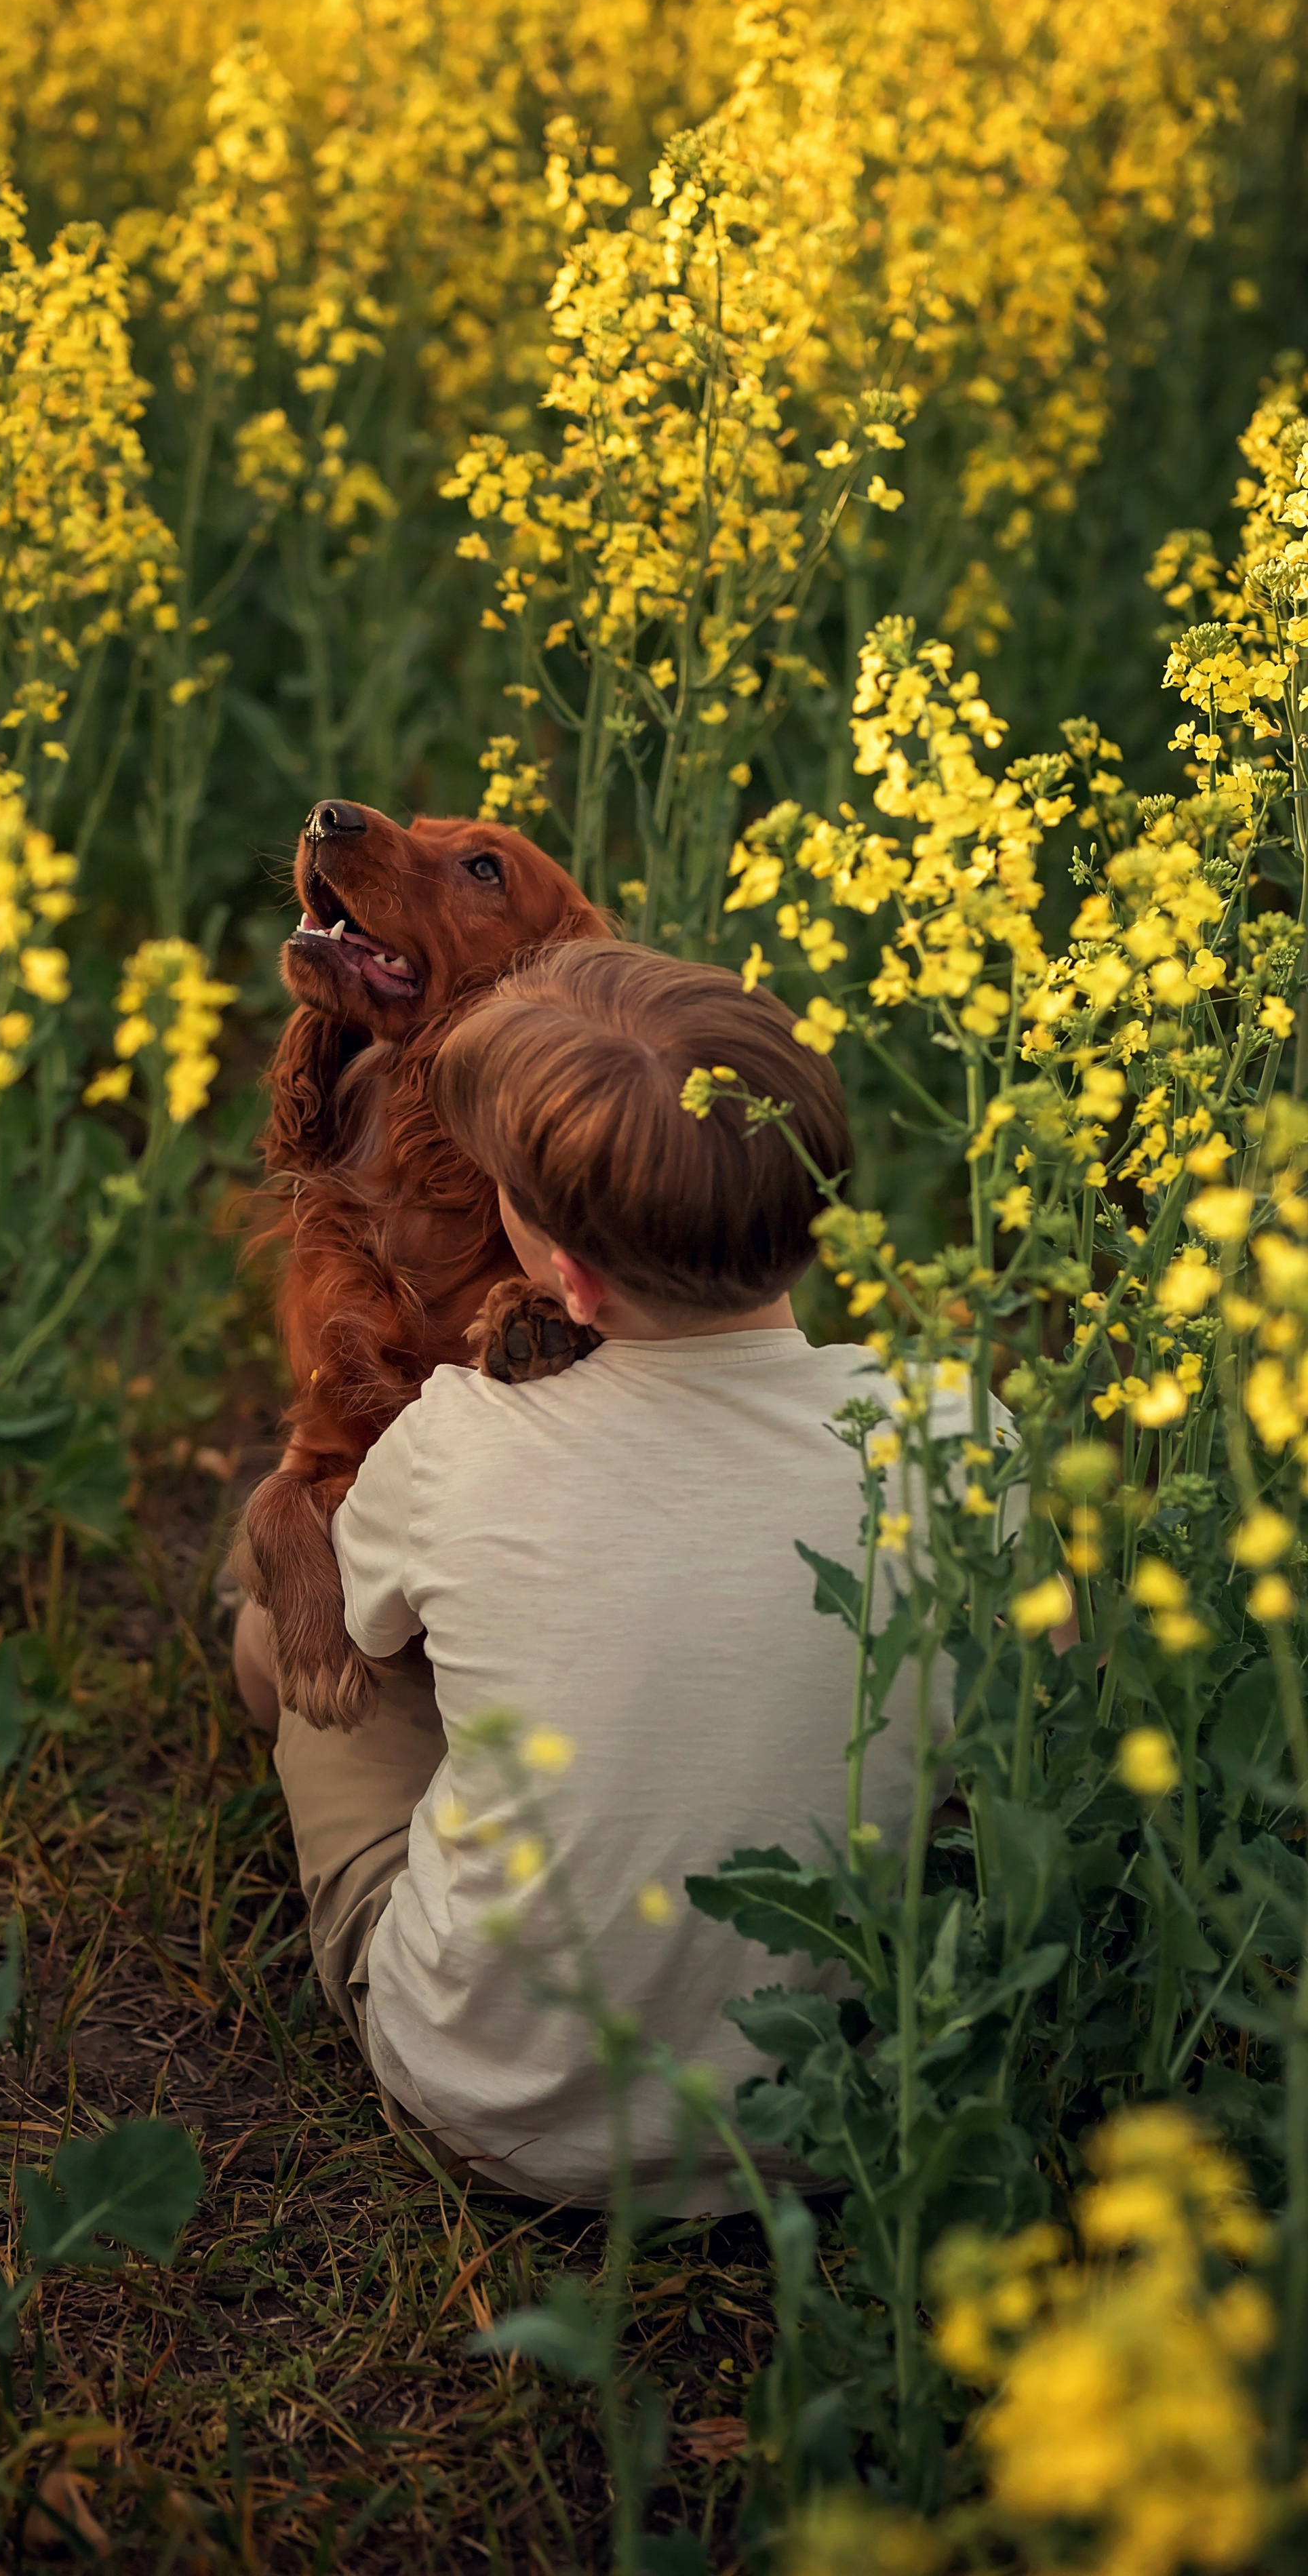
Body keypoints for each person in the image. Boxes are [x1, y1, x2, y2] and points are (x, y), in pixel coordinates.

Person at [234, 938, 991, 2209]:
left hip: (497, 2103)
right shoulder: (955, 1425)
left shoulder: (455, 1437)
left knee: (291, 1627)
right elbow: (1035, 1721)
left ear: (566, 1278)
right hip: (859, 2101)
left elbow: (361, 1642)